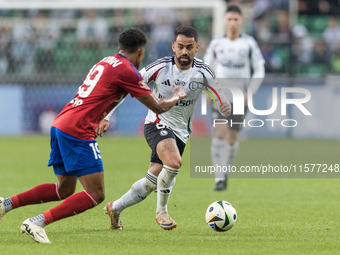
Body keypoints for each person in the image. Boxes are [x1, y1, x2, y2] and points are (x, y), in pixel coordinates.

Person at [0, 28, 187, 243]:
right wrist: (176, 95)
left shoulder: (106, 61)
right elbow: (158, 107)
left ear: (119, 48)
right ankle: (37, 222)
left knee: (64, 189)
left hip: (61, 122)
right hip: (78, 130)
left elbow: (102, 93)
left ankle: (5, 204)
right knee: (96, 194)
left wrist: (104, 115)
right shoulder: (128, 71)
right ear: (141, 51)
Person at [99, 26, 230, 231]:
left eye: (189, 47)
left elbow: (219, 93)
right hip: (156, 122)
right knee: (174, 162)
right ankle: (162, 213)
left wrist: (224, 104)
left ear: (197, 47)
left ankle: (114, 208)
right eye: (180, 47)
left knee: (153, 179)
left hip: (181, 132)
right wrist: (106, 115)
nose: (184, 52)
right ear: (173, 47)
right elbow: (127, 85)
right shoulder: (160, 67)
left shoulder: (203, 72)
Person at [204, 5, 265, 191]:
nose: (232, 22)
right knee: (220, 134)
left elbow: (260, 69)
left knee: (231, 139)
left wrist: (250, 92)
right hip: (221, 96)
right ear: (224, 21)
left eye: (235, 19)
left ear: (241, 21)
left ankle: (225, 171)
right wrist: (208, 92)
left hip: (240, 97)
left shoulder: (248, 44)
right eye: (229, 19)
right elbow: (207, 69)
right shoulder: (216, 44)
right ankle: (219, 178)